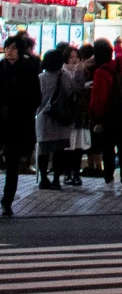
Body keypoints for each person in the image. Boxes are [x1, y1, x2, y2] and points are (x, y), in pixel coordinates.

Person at [0, 32, 42, 211]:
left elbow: (36, 96)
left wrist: (25, 110)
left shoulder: (27, 69)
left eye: (13, 48)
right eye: (7, 47)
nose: (9, 51)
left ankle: (8, 199)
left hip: (18, 123)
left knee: (13, 162)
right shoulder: (0, 67)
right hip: (0, 121)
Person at [35, 45, 83, 189]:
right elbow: (71, 92)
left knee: (43, 150)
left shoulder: (40, 78)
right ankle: (56, 179)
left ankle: (43, 178)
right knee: (59, 151)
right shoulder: (65, 76)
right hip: (61, 119)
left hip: (43, 118)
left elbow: (36, 98)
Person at [86, 39, 122, 187]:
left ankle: (109, 178)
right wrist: (118, 45)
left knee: (108, 148)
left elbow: (99, 97)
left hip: (108, 115)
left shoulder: (101, 72)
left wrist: (96, 117)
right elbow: (121, 56)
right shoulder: (119, 66)